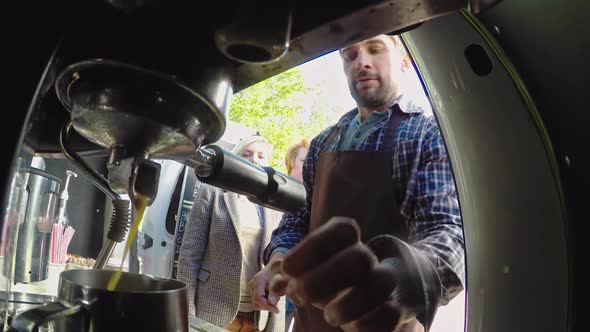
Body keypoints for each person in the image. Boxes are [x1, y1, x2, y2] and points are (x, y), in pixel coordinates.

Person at [249, 33, 465, 332]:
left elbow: (449, 234)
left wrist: (402, 284)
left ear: (403, 62)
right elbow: (299, 218)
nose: (361, 62)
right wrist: (279, 260)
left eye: (375, 50)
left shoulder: (427, 135)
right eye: (350, 56)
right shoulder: (326, 140)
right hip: (310, 323)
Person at [177, 134, 285, 332]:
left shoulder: (273, 205)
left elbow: (278, 263)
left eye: (261, 156)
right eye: (247, 154)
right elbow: (189, 256)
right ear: (236, 159)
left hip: (257, 315)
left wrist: (276, 325)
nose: (254, 159)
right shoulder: (212, 192)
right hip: (214, 311)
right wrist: (187, 313)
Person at [282, 138, 310, 331]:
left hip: (301, 290)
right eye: (304, 161)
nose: (310, 167)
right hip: (275, 281)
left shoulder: (316, 197)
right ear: (291, 163)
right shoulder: (276, 190)